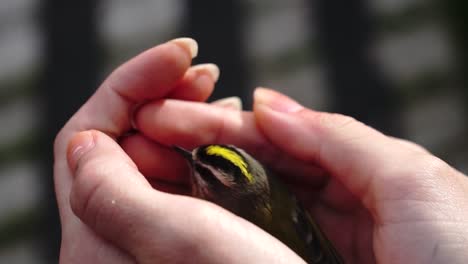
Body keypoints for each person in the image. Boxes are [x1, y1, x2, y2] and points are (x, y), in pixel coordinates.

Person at [54, 38, 468, 263]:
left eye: (205, 177)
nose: (190, 166)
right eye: (200, 166)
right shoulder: (256, 192)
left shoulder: (224, 215)